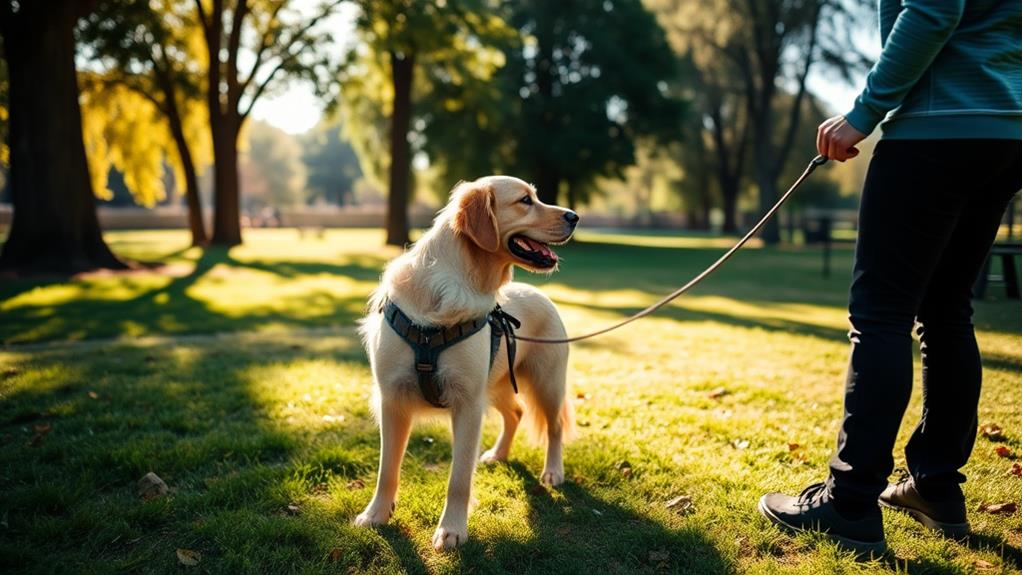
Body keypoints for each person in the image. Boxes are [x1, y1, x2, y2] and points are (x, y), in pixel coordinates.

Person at [757, 0, 1022, 554]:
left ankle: (850, 501)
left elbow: (933, 9)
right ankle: (935, 488)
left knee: (881, 314)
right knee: (947, 311)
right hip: (1003, 130)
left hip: (934, 132)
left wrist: (864, 112)